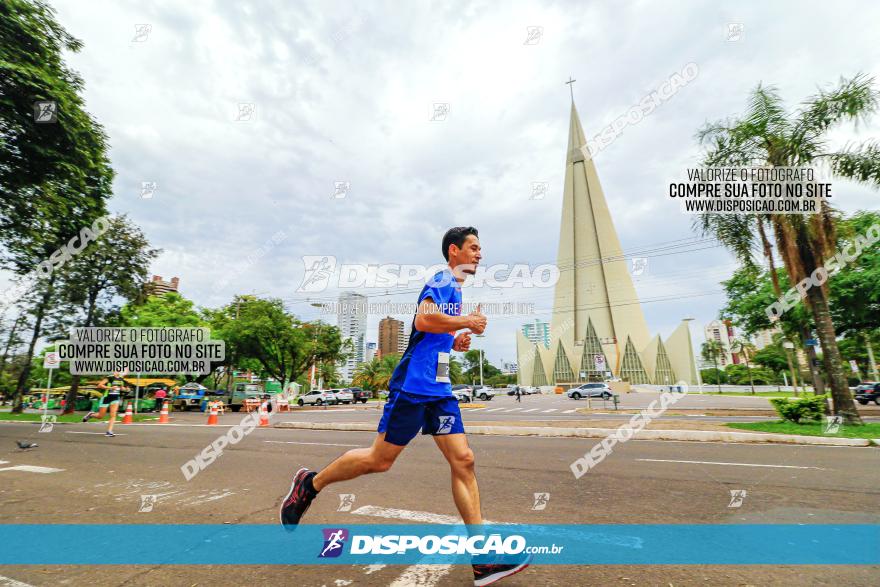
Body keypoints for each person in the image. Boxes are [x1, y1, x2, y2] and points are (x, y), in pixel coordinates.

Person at [278, 227, 530, 586]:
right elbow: (423, 320)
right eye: (473, 248)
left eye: (481, 249)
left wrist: (455, 339)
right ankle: (309, 484)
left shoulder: (455, 290)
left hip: (438, 389)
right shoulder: (443, 279)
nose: (479, 254)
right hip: (413, 386)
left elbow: (432, 332)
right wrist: (466, 322)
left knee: (464, 460)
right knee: (379, 460)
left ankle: (483, 559)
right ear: (454, 251)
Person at [82, 371, 126, 437]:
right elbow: (99, 385)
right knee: (100, 416)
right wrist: (110, 388)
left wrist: (125, 389)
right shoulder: (109, 377)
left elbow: (122, 388)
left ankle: (109, 431)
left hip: (115, 398)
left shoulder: (121, 379)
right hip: (106, 397)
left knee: (113, 415)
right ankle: (91, 415)